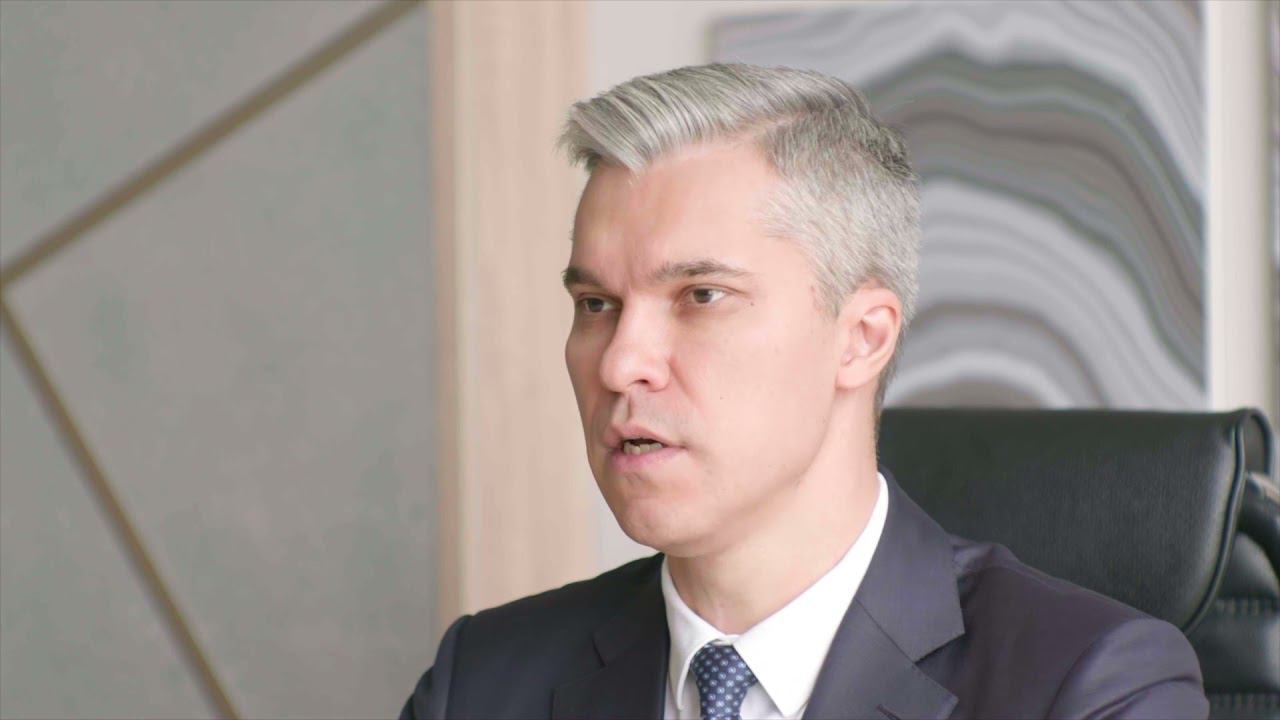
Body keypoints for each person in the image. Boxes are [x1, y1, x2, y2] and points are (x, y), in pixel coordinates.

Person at [400, 63, 1208, 720]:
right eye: (596, 305)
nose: (619, 364)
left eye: (701, 296)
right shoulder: (482, 682)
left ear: (862, 338)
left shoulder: (1090, 686)